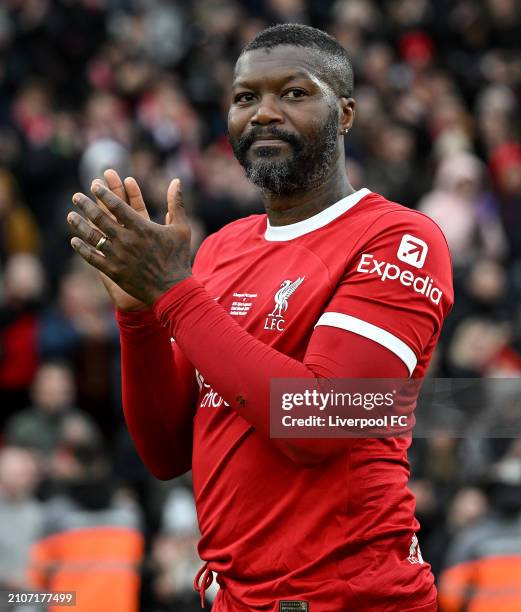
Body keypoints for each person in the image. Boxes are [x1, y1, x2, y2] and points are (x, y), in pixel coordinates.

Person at [66, 24, 453, 612]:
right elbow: (166, 453)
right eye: (246, 97)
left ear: (345, 114)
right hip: (235, 599)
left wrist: (173, 291)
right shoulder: (222, 248)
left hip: (351, 600)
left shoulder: (400, 238)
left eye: (293, 93)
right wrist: (140, 318)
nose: (264, 113)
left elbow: (318, 424)